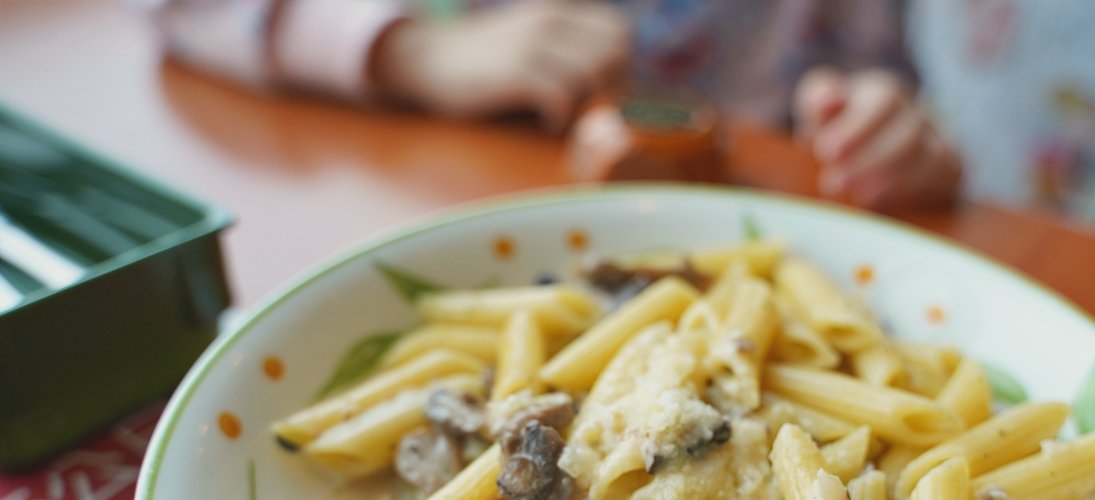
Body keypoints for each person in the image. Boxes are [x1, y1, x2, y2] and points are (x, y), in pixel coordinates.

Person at [144, 0, 962, 210]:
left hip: (757, 216)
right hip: (457, 191)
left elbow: (882, 87)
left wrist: (888, 137)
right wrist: (417, 53)